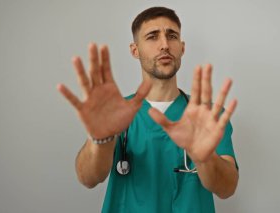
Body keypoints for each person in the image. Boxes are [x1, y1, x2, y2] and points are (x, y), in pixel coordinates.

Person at [57, 6, 239, 213]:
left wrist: (205, 158)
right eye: (153, 37)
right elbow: (88, 178)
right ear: (135, 50)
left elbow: (227, 188)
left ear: (182, 47)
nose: (164, 45)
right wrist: (101, 139)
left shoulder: (210, 116)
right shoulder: (115, 113)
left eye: (172, 36)